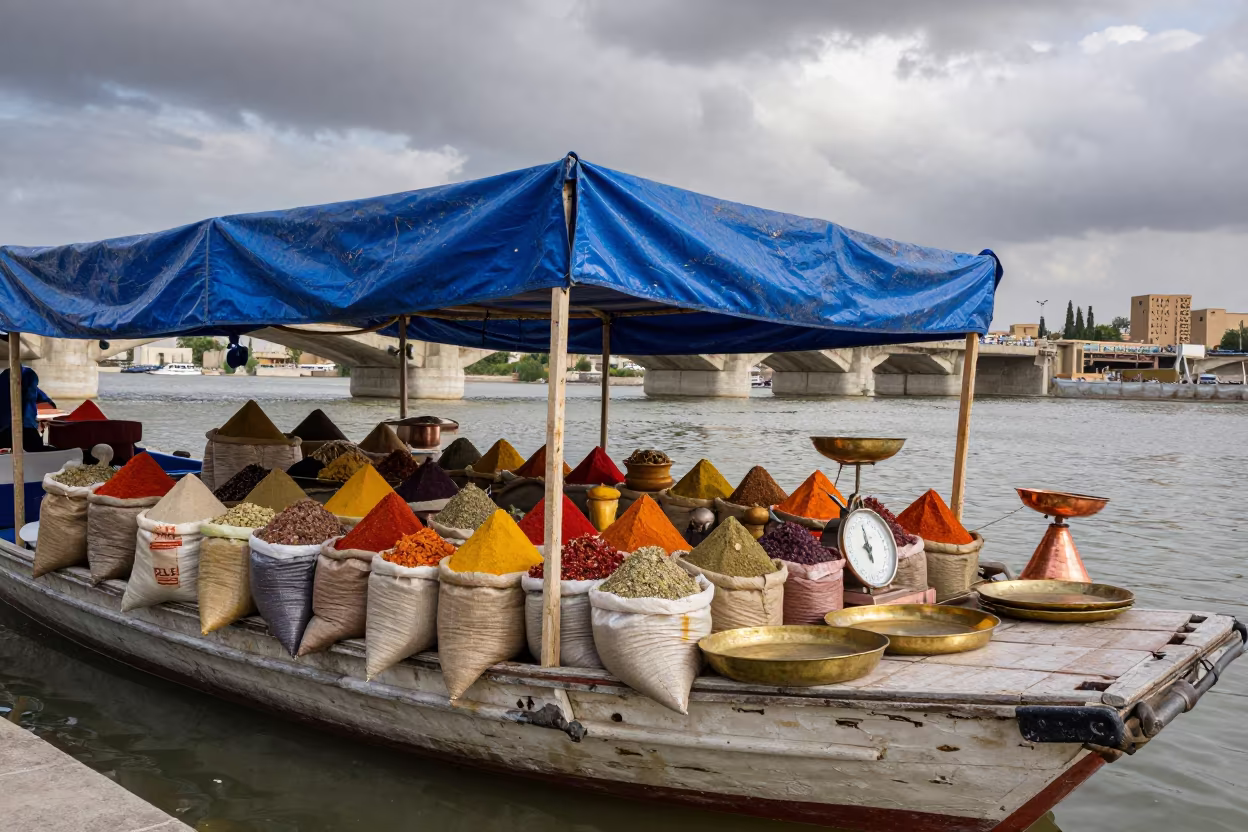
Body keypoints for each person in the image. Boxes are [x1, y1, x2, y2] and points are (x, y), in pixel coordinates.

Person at [0, 366, 56, 452]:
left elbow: (47, 403)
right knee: (37, 450)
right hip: (22, 429)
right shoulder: (28, 384)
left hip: (9, 430)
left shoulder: (6, 382)